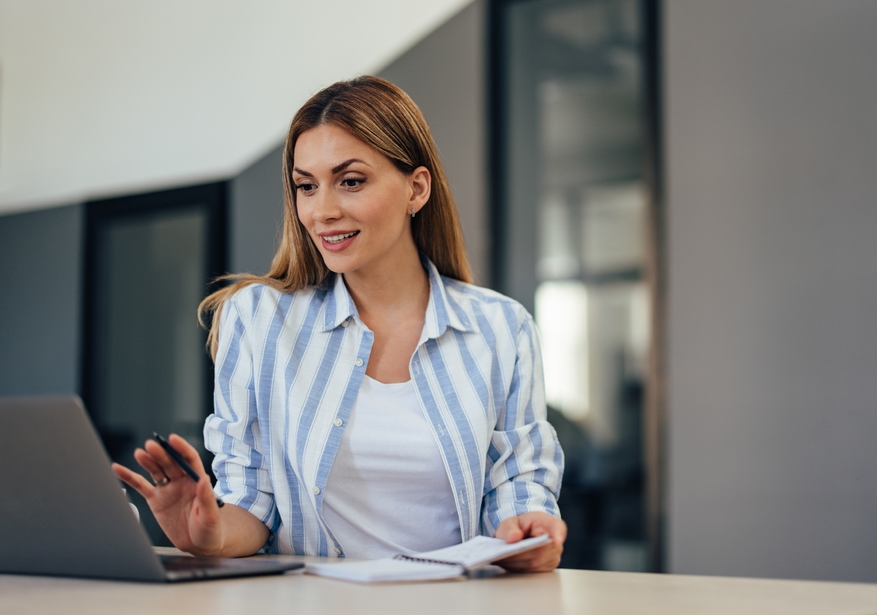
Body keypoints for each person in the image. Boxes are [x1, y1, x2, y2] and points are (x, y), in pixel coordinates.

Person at [113, 75, 566, 572]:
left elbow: (520, 490)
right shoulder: (258, 320)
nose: (322, 211)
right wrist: (212, 535)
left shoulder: (503, 328)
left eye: (351, 181)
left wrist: (528, 533)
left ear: (416, 188)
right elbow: (253, 502)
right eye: (306, 186)